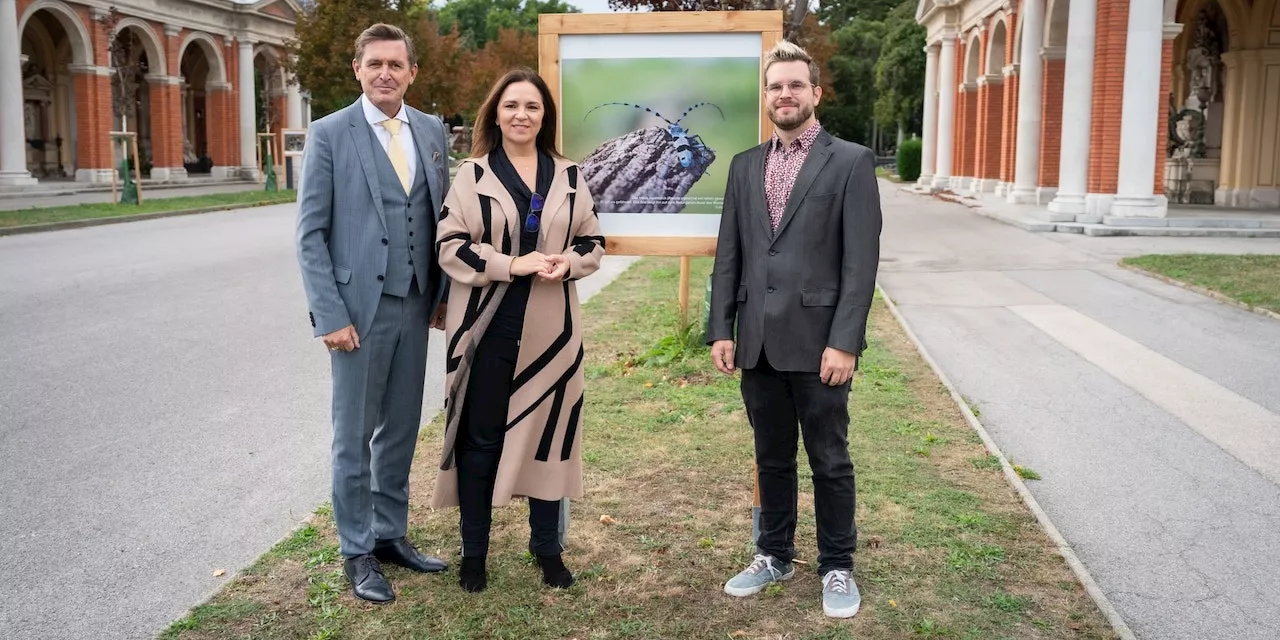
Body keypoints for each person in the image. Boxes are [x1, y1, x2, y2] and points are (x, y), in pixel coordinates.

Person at [707, 40, 882, 619]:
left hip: (819, 345)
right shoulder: (744, 165)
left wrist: (845, 341)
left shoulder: (851, 162)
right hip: (755, 340)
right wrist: (721, 329)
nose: (785, 94)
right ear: (767, 96)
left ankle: (837, 566)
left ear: (815, 93)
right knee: (771, 458)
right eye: (775, 86)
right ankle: (774, 553)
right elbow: (728, 253)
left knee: (829, 459)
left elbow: (860, 263)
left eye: (795, 85)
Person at [431, 68, 605, 593]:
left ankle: (547, 549)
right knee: (480, 441)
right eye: (511, 106)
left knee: (551, 438)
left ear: (544, 115)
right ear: (496, 113)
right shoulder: (473, 175)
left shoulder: (572, 176)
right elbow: (449, 244)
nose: (521, 115)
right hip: (486, 326)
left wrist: (565, 263)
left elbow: (594, 243)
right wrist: (514, 264)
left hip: (553, 328)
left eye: (532, 106)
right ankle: (475, 554)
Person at [295, 23, 451, 604]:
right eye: (375, 64)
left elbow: (439, 218)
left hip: (415, 305)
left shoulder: (432, 131)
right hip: (356, 311)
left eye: (396, 64)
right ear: (357, 70)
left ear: (412, 72)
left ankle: (390, 535)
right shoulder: (330, 133)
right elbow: (310, 235)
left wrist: (438, 296)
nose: (385, 73)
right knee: (353, 435)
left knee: (402, 427)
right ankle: (356, 550)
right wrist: (329, 315)